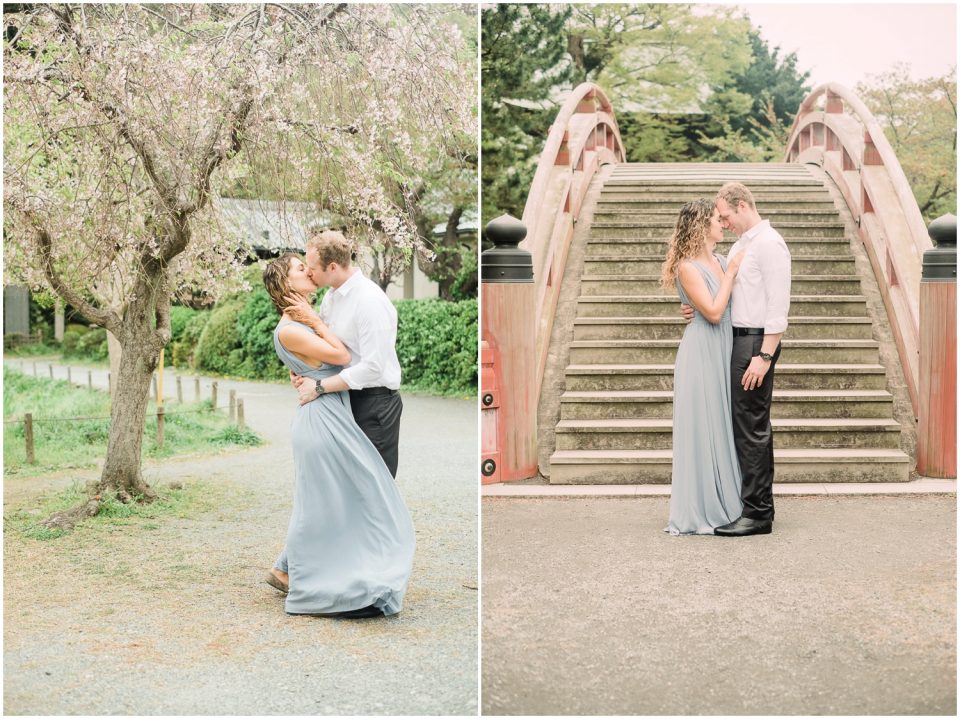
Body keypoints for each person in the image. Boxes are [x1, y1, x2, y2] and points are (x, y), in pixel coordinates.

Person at [261, 252, 415, 617]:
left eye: (307, 264)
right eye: (300, 269)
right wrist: (313, 328)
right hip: (323, 420)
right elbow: (342, 355)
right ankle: (305, 571)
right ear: (286, 284)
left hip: (337, 412)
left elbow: (312, 360)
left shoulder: (316, 314)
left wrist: (304, 370)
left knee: (328, 499)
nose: (308, 271)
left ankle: (290, 568)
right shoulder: (293, 325)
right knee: (321, 503)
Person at [682, 182, 792, 537]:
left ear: (742, 206)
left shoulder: (770, 244)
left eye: (726, 215)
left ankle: (758, 514)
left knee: (752, 429)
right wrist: (693, 307)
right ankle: (755, 506)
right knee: (746, 428)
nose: (724, 222)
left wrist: (765, 354)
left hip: (755, 344)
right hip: (737, 341)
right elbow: (718, 291)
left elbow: (778, 307)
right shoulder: (743, 246)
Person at [285, 230, 404, 479]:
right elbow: (327, 347)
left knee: (373, 486)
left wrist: (318, 387)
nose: (308, 272)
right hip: (345, 399)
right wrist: (302, 370)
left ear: (332, 266)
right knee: (348, 484)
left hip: (375, 404)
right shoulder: (331, 298)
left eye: (311, 267)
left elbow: (373, 367)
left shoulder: (370, 301)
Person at [662, 199, 744, 535]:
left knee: (723, 424)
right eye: (716, 219)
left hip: (725, 345)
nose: (722, 224)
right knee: (704, 425)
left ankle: (729, 499)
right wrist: (732, 275)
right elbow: (711, 312)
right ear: (701, 225)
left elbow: (728, 304)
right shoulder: (687, 267)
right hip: (701, 350)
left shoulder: (722, 260)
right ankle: (701, 506)